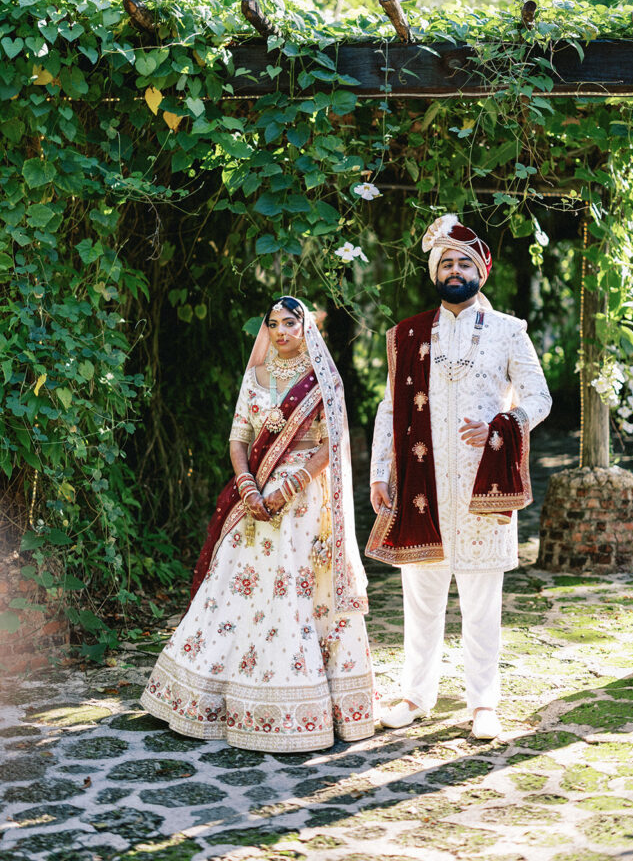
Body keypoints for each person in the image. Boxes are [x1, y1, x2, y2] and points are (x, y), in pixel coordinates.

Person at [142, 296, 375, 752]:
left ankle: (299, 705)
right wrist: (248, 487)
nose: (281, 331)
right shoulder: (255, 378)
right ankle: (210, 698)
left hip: (305, 504)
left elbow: (333, 443)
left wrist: (291, 486)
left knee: (296, 589)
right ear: (266, 330)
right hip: (254, 501)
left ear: (305, 328)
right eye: (274, 324)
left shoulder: (323, 380)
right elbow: (238, 440)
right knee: (235, 588)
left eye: (290, 322)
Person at [366, 214, 551, 740]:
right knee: (420, 601)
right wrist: (380, 473)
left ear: (480, 272)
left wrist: (503, 425)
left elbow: (539, 398)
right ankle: (415, 697)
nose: (454, 270)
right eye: (445, 262)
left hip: (480, 488)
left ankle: (483, 703)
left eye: (464, 263)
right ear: (435, 273)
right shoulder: (408, 335)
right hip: (420, 487)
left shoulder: (509, 331)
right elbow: (389, 408)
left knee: (481, 604)